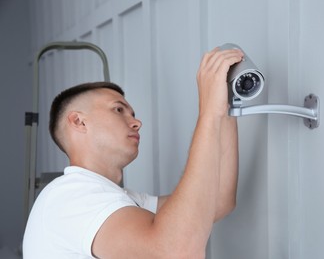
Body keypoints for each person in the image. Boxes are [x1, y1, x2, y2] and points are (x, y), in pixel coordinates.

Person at [23, 47, 243, 258]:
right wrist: (209, 113)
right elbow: (176, 252)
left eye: (132, 113)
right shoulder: (69, 197)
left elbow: (217, 200)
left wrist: (225, 107)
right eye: (118, 110)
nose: (137, 122)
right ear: (79, 121)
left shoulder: (119, 198)